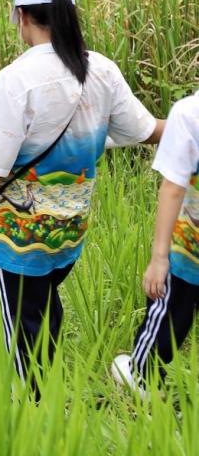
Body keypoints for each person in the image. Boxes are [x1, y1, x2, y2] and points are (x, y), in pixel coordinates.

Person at [0, 0, 164, 387]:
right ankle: (50, 392)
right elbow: (147, 130)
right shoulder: (101, 70)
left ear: (21, 16)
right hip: (69, 231)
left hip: (19, 237)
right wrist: (190, 125)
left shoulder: (16, 79)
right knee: (43, 310)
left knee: (22, 336)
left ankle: (34, 408)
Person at [111, 89, 199, 395]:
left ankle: (141, 376)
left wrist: (159, 258)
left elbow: (173, 189)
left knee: (168, 312)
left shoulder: (189, 113)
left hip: (190, 251)